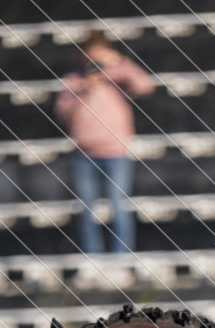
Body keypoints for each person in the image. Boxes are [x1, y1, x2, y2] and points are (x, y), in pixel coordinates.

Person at [54, 30, 155, 268]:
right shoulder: (74, 81)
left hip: (116, 153)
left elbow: (145, 85)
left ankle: (121, 261)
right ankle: (93, 260)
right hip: (83, 155)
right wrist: (84, 91)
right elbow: (62, 113)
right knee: (87, 209)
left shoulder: (117, 78)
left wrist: (119, 62)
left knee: (119, 207)